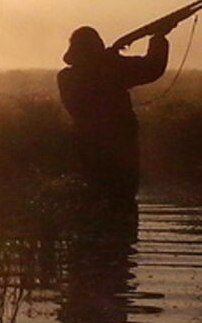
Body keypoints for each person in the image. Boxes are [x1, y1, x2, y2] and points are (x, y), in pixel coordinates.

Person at [56, 21, 175, 205]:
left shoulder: (66, 77)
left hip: (86, 145)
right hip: (119, 145)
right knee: (121, 197)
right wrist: (158, 38)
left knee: (94, 197)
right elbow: (152, 68)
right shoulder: (107, 68)